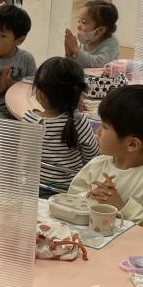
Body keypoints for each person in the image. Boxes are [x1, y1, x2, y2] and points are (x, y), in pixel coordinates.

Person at [68, 86, 143, 237]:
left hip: (132, 248)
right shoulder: (97, 165)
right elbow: (70, 199)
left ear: (132, 144)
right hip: (90, 241)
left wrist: (121, 206)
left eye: (104, 127)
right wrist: (89, 197)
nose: (97, 132)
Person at [22, 57, 99, 196]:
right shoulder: (78, 121)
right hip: (70, 192)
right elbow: (92, 161)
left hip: (32, 190)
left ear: (40, 94)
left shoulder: (29, 119)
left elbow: (23, 159)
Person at [64, 0, 121, 68]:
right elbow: (79, 63)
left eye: (84, 22)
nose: (78, 26)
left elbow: (97, 63)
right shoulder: (87, 40)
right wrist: (70, 55)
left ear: (100, 30)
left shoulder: (112, 44)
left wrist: (76, 50)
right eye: (79, 21)